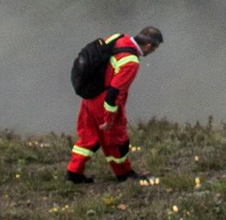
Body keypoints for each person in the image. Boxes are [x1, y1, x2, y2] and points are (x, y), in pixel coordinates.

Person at [66, 26, 163, 185]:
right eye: (155, 49)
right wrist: (109, 118)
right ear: (149, 46)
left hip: (90, 94)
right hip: (103, 101)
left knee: (88, 135)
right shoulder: (130, 62)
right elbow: (115, 92)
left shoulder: (118, 38)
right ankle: (124, 174)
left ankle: (73, 173)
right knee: (117, 139)